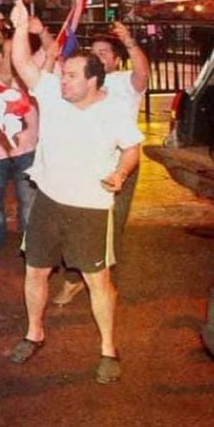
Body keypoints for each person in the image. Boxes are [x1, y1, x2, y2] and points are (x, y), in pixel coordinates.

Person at [8, 0, 143, 383]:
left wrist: (121, 172)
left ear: (93, 81)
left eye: (70, 76)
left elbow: (133, 148)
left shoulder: (114, 110)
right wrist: (21, 29)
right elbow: (24, 65)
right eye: (63, 74)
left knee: (97, 282)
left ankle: (107, 349)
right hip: (49, 202)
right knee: (35, 272)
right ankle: (34, 333)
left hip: (91, 209)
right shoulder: (53, 94)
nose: (61, 80)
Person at [55, 21, 150, 305]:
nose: (99, 56)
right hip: (83, 163)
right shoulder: (82, 84)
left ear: (117, 59)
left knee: (110, 225)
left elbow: (143, 73)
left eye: (105, 52)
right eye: (94, 52)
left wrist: (129, 41)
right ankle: (75, 279)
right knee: (74, 222)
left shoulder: (125, 83)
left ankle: (103, 283)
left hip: (120, 164)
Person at [0, 41, 38, 258]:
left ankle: (29, 245)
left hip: (26, 149)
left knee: (28, 202)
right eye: (11, 54)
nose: (17, 58)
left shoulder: (29, 78)